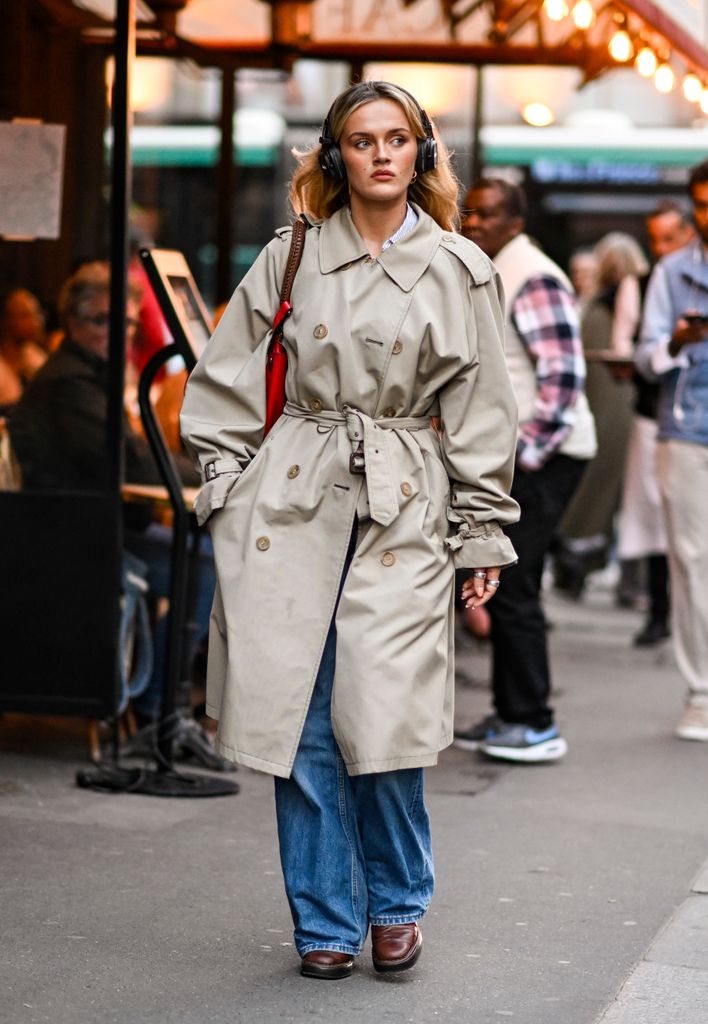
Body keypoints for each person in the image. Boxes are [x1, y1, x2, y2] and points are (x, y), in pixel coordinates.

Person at [180, 81, 519, 980]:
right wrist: (224, 483)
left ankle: (398, 901)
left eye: (396, 138)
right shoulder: (290, 256)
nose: (379, 153)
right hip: (291, 501)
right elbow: (221, 377)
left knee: (384, 713)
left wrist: (482, 533)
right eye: (360, 140)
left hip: (405, 501)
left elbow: (485, 411)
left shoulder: (460, 267)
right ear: (335, 157)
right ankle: (327, 920)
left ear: (421, 154)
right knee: (302, 723)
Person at [8, 262, 214, 728]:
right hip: (67, 543)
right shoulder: (71, 383)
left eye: (127, 322)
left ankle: (165, 700)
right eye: (103, 320)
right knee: (203, 567)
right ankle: (160, 707)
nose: (117, 332)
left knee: (203, 554)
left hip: (91, 528)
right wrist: (215, 473)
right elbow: (131, 462)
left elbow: (136, 455)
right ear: (73, 323)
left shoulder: (93, 376)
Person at [455, 177, 596, 763]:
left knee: (512, 584)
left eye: (487, 215)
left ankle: (536, 722)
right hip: (527, 455)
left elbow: (562, 379)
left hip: (544, 455)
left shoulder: (531, 274)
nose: (473, 223)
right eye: (469, 213)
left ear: (515, 221)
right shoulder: (499, 268)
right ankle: (512, 712)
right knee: (513, 583)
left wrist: (525, 458)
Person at [635, 159, 708, 741]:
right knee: (691, 563)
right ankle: (702, 693)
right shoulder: (672, 271)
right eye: (703, 205)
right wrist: (677, 341)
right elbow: (644, 357)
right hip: (685, 429)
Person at [554, 232, 649, 600]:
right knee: (609, 492)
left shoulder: (601, 305)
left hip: (602, 408)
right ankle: (586, 567)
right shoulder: (606, 305)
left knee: (601, 491)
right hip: (610, 408)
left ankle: (579, 566)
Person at [617, 201, 695, 647]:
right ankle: (661, 611)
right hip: (656, 416)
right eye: (655, 238)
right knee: (656, 519)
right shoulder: (647, 282)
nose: (661, 247)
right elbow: (637, 353)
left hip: (691, 417)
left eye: (669, 237)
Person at [0, 288, 47, 408]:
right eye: (25, 315)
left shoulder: (38, 358)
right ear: (6, 319)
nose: (36, 322)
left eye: (37, 313)